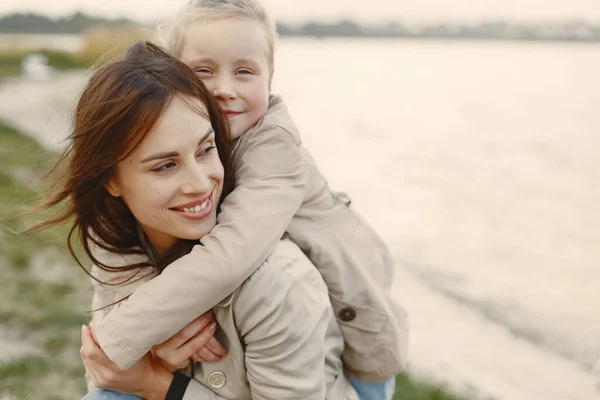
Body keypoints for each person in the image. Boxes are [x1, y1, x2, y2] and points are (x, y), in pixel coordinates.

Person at [90, 0, 409, 398]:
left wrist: (123, 333)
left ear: (270, 78)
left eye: (245, 72)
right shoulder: (188, 135)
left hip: (358, 337)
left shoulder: (274, 148)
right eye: (204, 71)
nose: (225, 89)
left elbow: (232, 254)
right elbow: (122, 251)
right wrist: (141, 332)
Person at [31, 41, 359, 399]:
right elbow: (106, 375)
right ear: (111, 180)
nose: (201, 184)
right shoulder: (118, 246)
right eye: (165, 165)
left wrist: (158, 384)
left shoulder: (278, 282)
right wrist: (154, 360)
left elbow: (128, 381)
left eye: (206, 149)